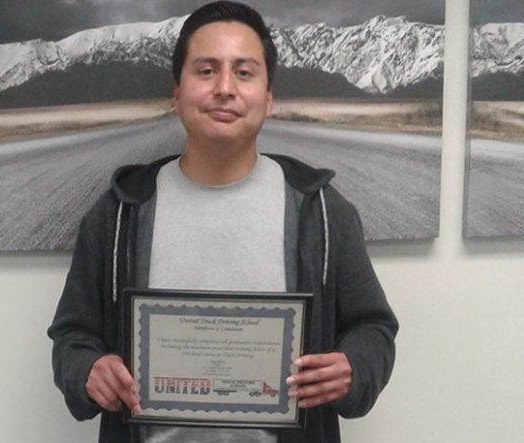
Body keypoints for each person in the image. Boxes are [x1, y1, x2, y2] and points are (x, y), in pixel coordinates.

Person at [47, 2, 398, 442]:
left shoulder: (323, 212)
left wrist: (355, 367)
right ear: (177, 93)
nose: (225, 88)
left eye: (244, 72)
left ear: (268, 98)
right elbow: (72, 334)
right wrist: (87, 370)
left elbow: (374, 328)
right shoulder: (119, 213)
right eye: (206, 71)